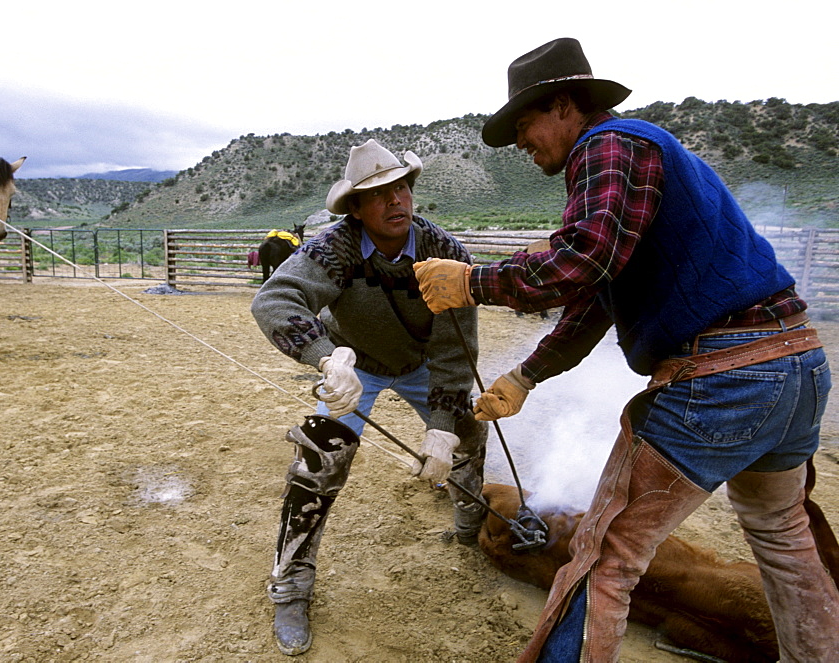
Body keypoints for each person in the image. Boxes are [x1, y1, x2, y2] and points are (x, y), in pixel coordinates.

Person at [414, 37, 839, 662]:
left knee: (604, 557)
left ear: (563, 106)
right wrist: (527, 377)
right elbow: (596, 293)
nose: (521, 143)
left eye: (525, 124)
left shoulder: (606, 146)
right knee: (782, 537)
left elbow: (582, 259)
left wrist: (470, 282)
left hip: (725, 375)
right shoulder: (642, 152)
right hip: (796, 364)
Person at [251, 138, 488, 656]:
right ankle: (290, 584)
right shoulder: (333, 247)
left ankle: (472, 527)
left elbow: (457, 351)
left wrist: (443, 426)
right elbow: (275, 297)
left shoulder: (446, 253)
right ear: (355, 208)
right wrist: (325, 357)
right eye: (380, 193)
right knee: (319, 457)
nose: (396, 200)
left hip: (425, 362)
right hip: (354, 363)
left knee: (468, 432)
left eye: (402, 187)